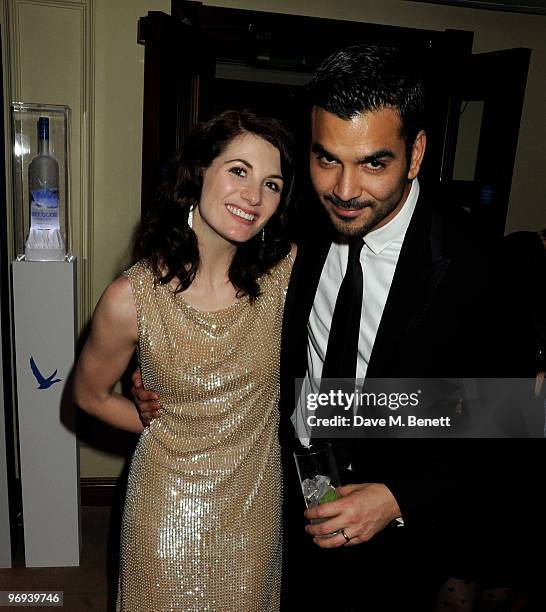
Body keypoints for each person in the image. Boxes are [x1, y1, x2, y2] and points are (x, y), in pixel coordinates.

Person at [134, 46, 524, 610]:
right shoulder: (293, 226)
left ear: (414, 154)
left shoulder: (476, 264)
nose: (343, 190)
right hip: (290, 493)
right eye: (326, 159)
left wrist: (398, 497)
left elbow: (506, 415)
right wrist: (151, 375)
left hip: (403, 525)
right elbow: (212, 305)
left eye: (373, 162)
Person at [73, 110, 296, 611]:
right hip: (166, 508)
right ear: (199, 171)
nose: (254, 196)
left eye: (272, 184)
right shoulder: (131, 298)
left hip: (253, 504)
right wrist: (151, 421)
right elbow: (86, 395)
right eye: (238, 171)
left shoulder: (286, 276)